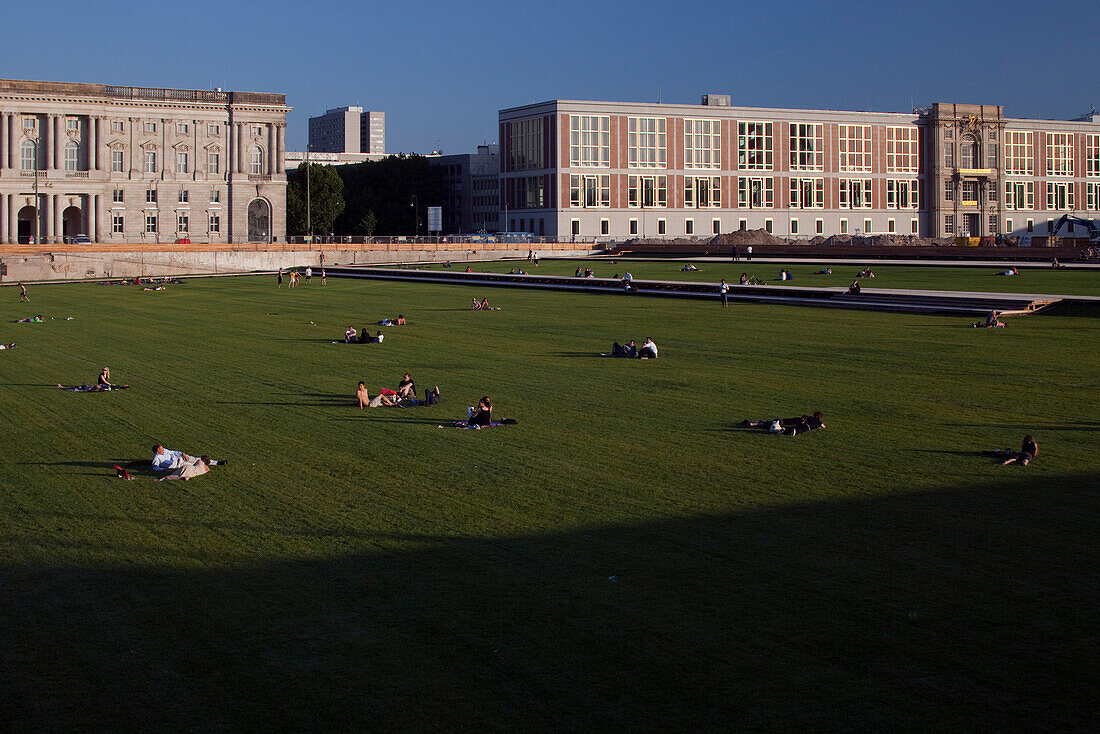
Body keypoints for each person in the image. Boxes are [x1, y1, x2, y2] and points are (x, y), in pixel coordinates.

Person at [152, 444, 226, 471]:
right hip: (179, 465)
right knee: (197, 464)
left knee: (197, 459)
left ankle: (218, 462)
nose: (163, 449)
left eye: (162, 448)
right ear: (157, 452)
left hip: (181, 458)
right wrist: (163, 469)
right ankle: (206, 466)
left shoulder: (164, 450)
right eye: (161, 449)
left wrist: (183, 454)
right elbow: (155, 468)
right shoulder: (157, 458)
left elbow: (174, 452)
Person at [742, 412, 825, 436]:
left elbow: (803, 420)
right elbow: (823, 426)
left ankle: (752, 424)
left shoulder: (808, 418)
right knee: (795, 431)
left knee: (765, 424)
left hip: (778, 423)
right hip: (802, 428)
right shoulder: (819, 422)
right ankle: (783, 430)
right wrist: (820, 426)